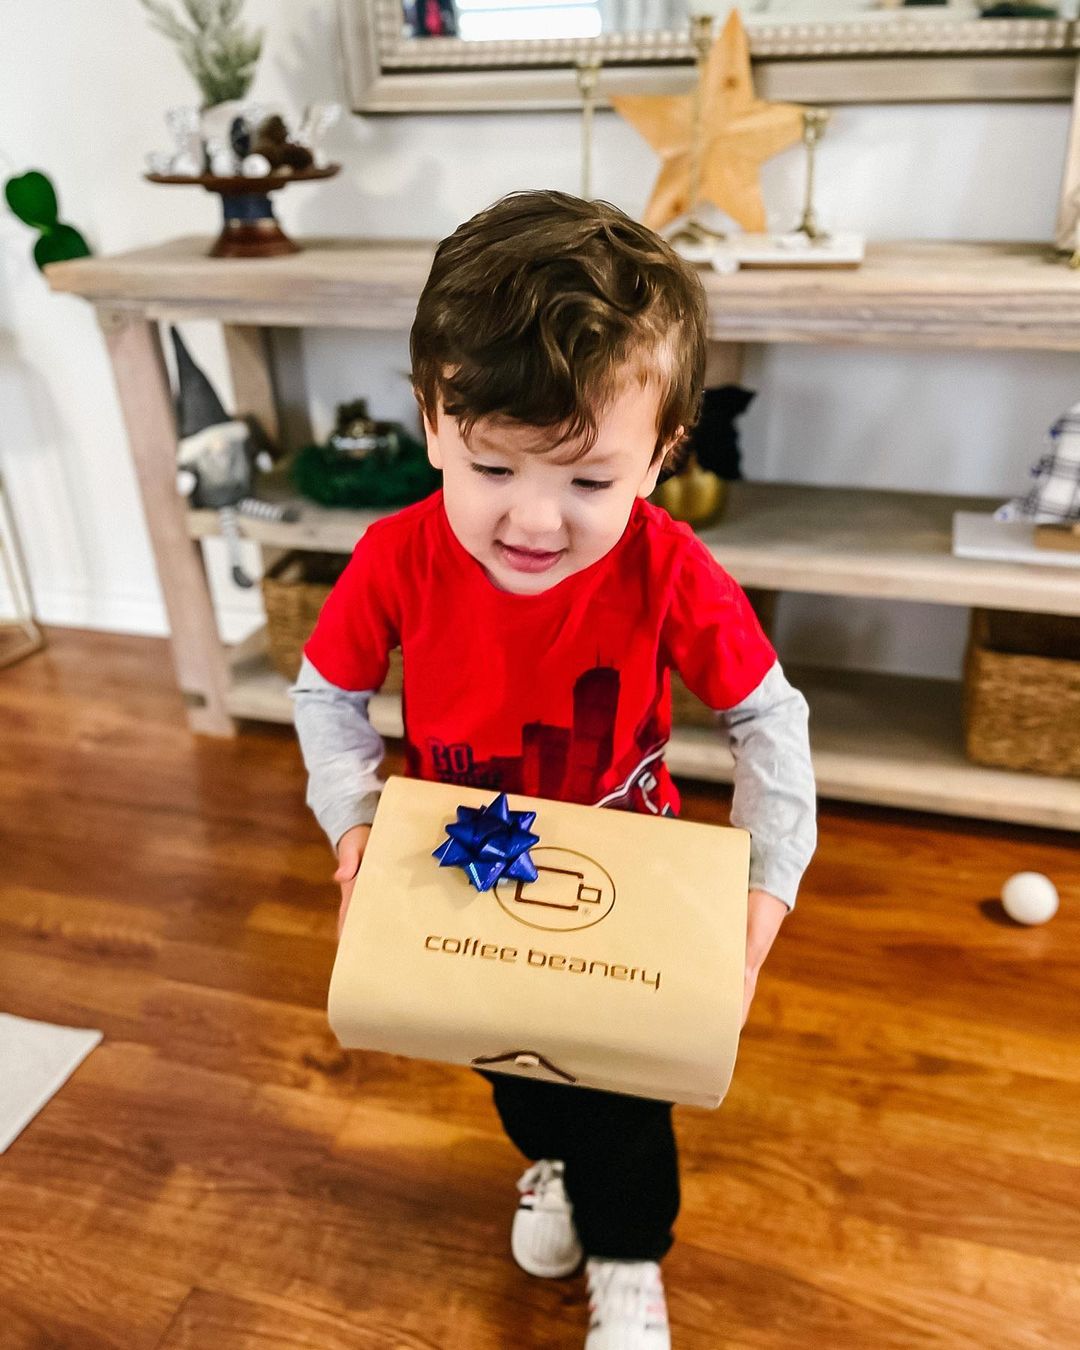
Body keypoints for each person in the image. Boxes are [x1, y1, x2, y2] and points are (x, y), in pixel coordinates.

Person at [291, 189, 817, 1350]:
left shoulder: (669, 569)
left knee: (624, 1101)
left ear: (664, 453)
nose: (534, 521)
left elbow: (770, 721)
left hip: (631, 896)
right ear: (433, 419)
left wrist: (762, 893)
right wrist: (355, 815)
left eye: (588, 481)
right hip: (464, 884)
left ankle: (628, 1251)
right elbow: (326, 691)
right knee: (514, 1067)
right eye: (491, 467)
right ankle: (550, 1167)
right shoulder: (397, 556)